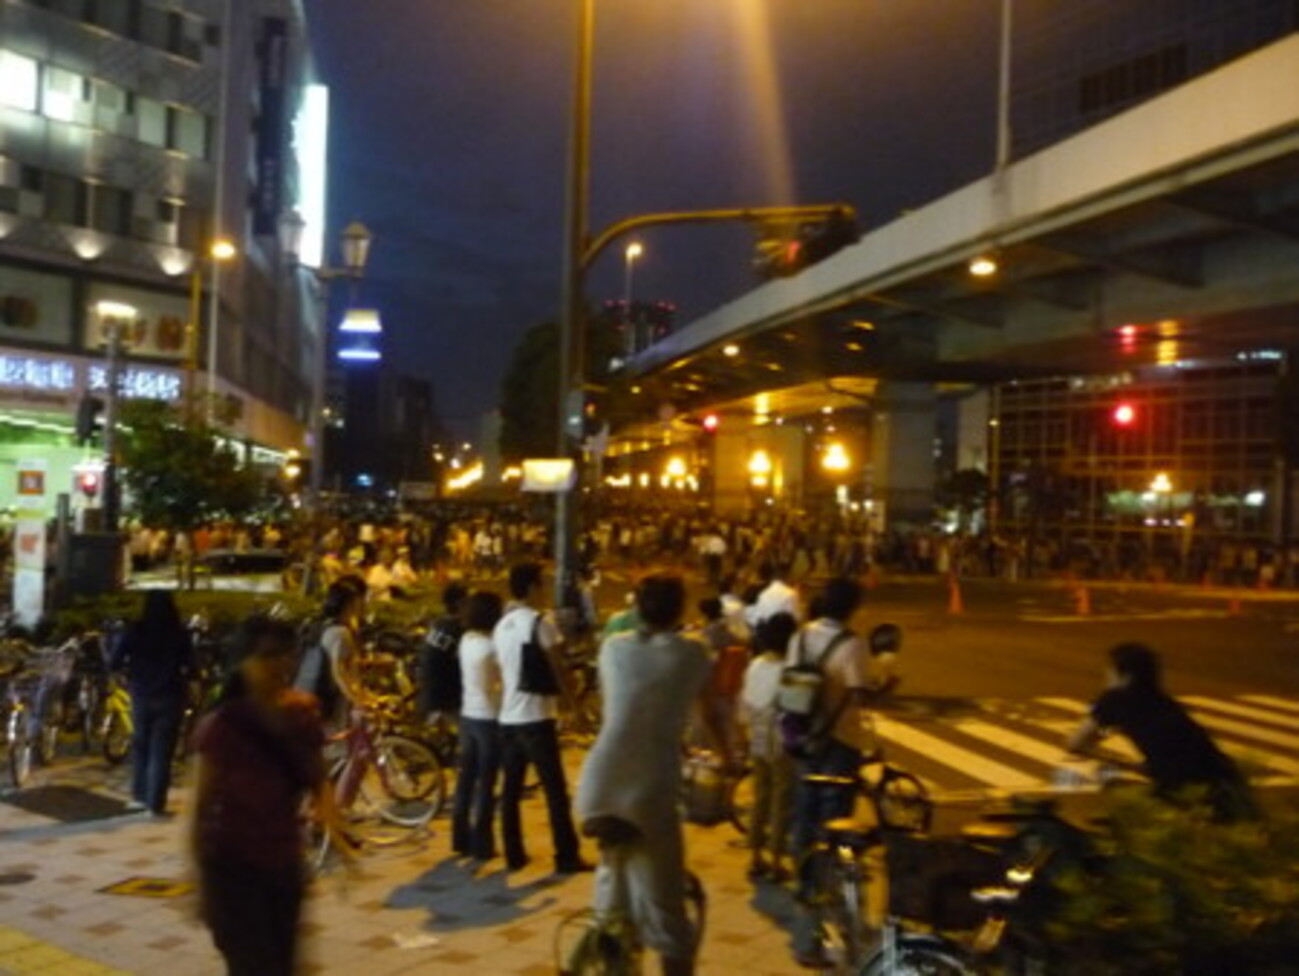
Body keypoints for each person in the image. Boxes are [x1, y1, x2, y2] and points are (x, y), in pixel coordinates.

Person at [576, 575, 729, 976]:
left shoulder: (612, 646)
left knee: (613, 900)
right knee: (668, 915)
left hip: (597, 786)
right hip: (646, 790)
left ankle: (603, 946)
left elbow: (629, 709)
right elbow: (708, 714)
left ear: (637, 608)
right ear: (679, 609)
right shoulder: (693, 652)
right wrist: (729, 757)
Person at [191, 615, 353, 976]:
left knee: (282, 965)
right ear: (243, 660)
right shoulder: (222, 724)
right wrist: (197, 878)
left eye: (286, 654)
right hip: (230, 869)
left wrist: (337, 835)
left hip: (282, 866)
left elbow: (318, 779)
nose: (280, 664)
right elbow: (198, 805)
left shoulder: (301, 714)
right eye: (267, 655)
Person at [786, 577, 873, 966]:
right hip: (839, 743)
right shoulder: (853, 644)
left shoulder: (801, 636)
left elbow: (790, 682)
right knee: (835, 824)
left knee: (805, 815)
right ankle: (826, 903)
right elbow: (859, 693)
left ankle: (805, 884)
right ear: (852, 608)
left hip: (804, 738)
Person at [1067, 643, 1255, 821]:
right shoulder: (1164, 701)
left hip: (1183, 787)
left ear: (1126, 676)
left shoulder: (1115, 699)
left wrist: (1112, 758)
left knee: (1113, 785)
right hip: (1225, 778)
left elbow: (1075, 743)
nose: (1106, 675)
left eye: (1110, 670)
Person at [493, 561, 588, 874]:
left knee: (510, 791)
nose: (545, 590)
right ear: (532, 587)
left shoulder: (501, 626)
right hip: (536, 717)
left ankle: (514, 854)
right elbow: (559, 667)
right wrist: (573, 706)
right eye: (542, 584)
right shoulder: (540, 623)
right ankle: (566, 856)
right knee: (555, 790)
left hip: (509, 718)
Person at [110, 590, 192, 816]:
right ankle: (155, 803)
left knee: (141, 745)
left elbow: (115, 661)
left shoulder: (135, 630)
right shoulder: (179, 632)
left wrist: (127, 673)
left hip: (141, 693)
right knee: (162, 750)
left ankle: (139, 795)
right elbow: (190, 664)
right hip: (171, 694)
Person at [740, 612, 798, 883]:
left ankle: (754, 857)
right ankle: (776, 860)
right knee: (781, 800)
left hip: (757, 734)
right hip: (780, 737)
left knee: (760, 796)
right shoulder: (788, 669)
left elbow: (746, 703)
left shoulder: (755, 664)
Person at [451, 590, 504, 860]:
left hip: (468, 715)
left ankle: (460, 838)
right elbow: (491, 688)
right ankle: (482, 842)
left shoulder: (466, 640)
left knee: (465, 780)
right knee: (486, 783)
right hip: (487, 718)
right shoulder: (489, 648)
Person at [420, 582, 468, 723]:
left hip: (429, 698)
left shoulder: (437, 624)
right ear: (460, 603)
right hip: (448, 705)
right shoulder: (459, 631)